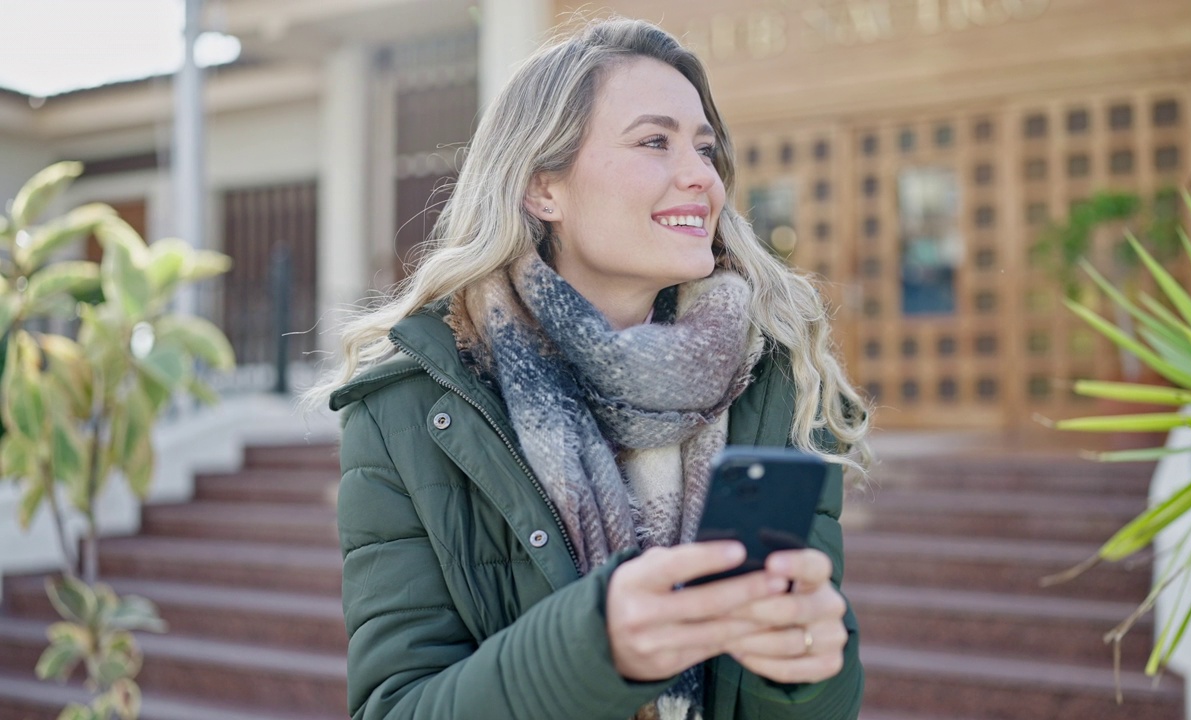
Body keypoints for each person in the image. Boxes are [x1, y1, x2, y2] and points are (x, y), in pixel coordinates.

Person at [314, 15, 870, 720]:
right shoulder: (409, 409)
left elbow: (821, 701)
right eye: (655, 141)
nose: (703, 176)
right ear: (544, 187)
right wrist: (598, 647)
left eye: (705, 148)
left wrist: (810, 667)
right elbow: (396, 709)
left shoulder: (774, 376)